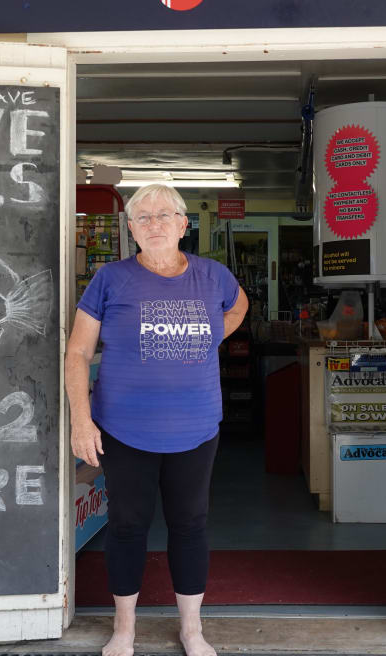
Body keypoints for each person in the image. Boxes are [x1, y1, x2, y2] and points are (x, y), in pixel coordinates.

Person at [66, 183, 248, 656]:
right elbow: (78, 351)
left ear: (183, 224)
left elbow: (239, 306)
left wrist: (212, 335)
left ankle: (192, 629)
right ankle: (124, 629)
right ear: (130, 229)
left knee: (190, 524)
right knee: (127, 526)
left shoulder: (212, 276)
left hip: (196, 429)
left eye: (164, 215)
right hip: (124, 432)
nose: (154, 224)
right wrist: (81, 422)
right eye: (142, 218)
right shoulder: (111, 278)